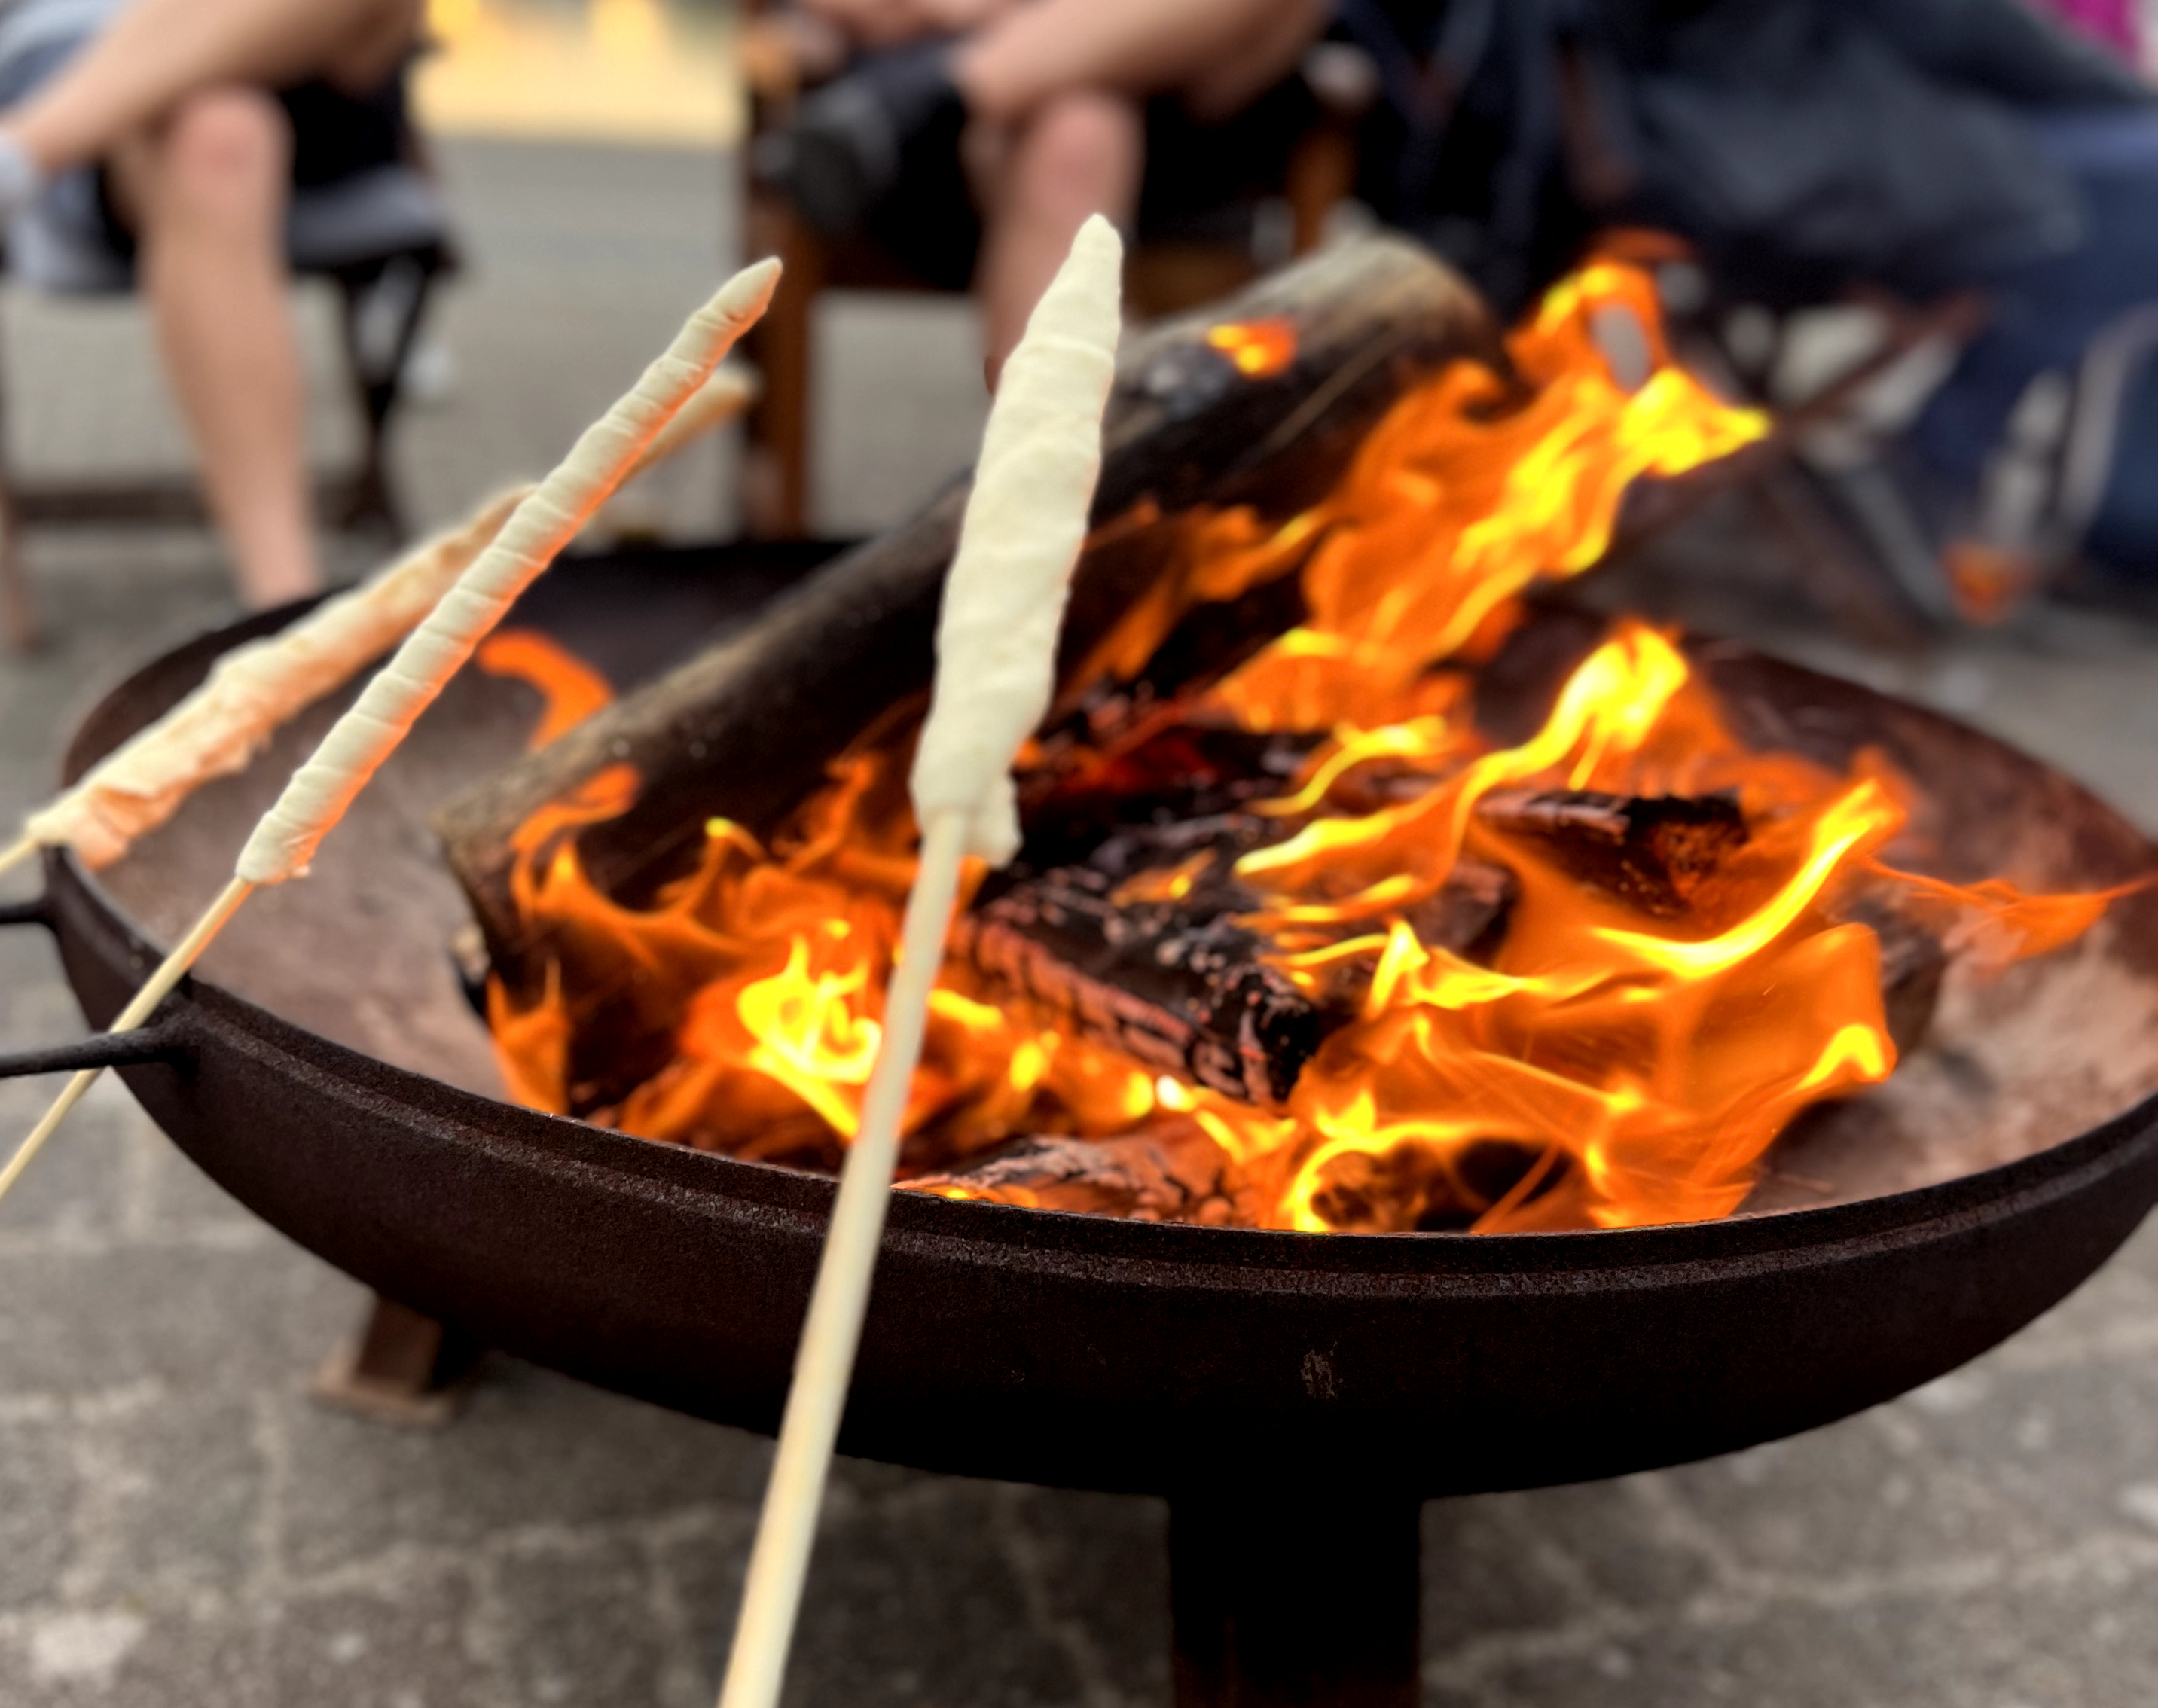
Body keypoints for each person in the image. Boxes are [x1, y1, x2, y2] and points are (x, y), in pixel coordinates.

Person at [0, 0, 426, 610]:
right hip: (84, 61)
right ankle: (287, 610)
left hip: (318, 60)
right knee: (216, 133)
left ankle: (23, 153)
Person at [762, 0, 1332, 374]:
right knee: (1078, 131)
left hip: (1189, 109)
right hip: (965, 124)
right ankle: (1062, 492)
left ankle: (939, 96)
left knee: (1076, 124)